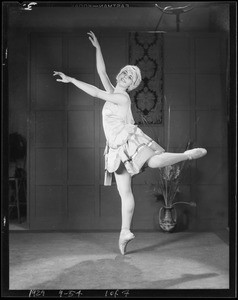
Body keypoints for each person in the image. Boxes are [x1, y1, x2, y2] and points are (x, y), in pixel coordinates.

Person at [53, 31, 207, 255]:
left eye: (129, 78)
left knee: (154, 163)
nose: (124, 77)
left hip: (128, 141)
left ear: (132, 85)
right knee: (124, 193)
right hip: (115, 149)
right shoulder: (113, 91)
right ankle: (125, 232)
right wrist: (98, 48)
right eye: (124, 74)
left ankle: (186, 155)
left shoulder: (122, 97)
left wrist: (71, 79)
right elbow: (101, 72)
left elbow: (95, 92)